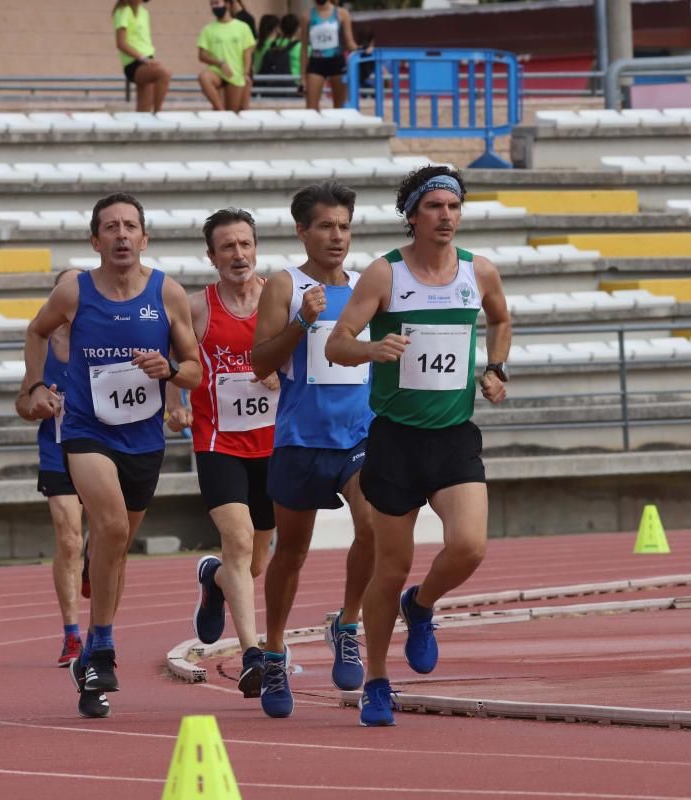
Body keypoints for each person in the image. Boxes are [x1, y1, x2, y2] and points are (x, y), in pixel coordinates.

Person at [326, 165, 512, 727]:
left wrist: (496, 367)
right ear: (412, 215)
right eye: (434, 207)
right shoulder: (385, 275)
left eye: (453, 207)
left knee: (470, 547)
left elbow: (501, 318)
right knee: (390, 567)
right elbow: (337, 344)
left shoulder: (478, 271)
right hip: (396, 441)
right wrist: (371, 350)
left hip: (453, 436)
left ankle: (422, 604)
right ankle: (378, 681)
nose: (446, 217)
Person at [21, 192, 202, 719]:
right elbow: (35, 331)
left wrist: (168, 371)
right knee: (113, 528)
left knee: (115, 551)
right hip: (86, 432)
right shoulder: (74, 291)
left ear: (144, 238)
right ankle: (100, 646)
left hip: (143, 441)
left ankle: (92, 663)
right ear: (94, 240)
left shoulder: (166, 292)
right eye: (110, 227)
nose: (121, 235)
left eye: (130, 226)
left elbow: (193, 368)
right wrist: (34, 384)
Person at [250, 180, 375, 719]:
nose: (337, 236)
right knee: (292, 553)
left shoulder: (370, 285)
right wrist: (302, 320)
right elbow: (259, 364)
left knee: (374, 525)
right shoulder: (284, 285)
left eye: (344, 226)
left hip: (361, 435)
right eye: (325, 226)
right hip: (301, 439)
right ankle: (275, 648)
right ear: (302, 230)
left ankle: (347, 622)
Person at [164, 208, 278, 701]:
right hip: (219, 441)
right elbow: (178, 363)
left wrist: (282, 370)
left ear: (256, 248)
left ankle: (212, 580)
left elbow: (310, 350)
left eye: (245, 244)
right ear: (211, 256)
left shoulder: (281, 297)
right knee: (238, 540)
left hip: (276, 443)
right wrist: (174, 401)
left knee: (255, 561)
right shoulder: (196, 308)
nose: (238, 254)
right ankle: (254, 654)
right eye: (227, 247)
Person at [16, 268, 86, 669]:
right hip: (56, 450)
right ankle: (72, 634)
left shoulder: (100, 338)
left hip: (103, 450)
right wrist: (35, 406)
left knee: (111, 535)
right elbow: (22, 403)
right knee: (69, 538)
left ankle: (96, 561)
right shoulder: (40, 346)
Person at [112, 0, 172, 113]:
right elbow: (121, 43)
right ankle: (158, 113)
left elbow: (144, 41)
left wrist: (150, 59)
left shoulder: (144, 13)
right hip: (133, 63)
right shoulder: (123, 11)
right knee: (164, 73)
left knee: (143, 110)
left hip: (147, 61)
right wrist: (143, 59)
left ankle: (144, 125)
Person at [197, 0, 257, 112]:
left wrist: (245, 73)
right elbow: (202, 55)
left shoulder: (242, 27)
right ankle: (220, 110)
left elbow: (247, 53)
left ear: (228, 4)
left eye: (217, 3)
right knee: (204, 77)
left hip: (235, 74)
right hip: (217, 71)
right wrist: (220, 63)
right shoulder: (208, 29)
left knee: (234, 110)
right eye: (212, 4)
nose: (214, 7)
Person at [301, 0, 358, 110]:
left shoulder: (342, 13)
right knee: (311, 109)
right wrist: (302, 76)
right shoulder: (306, 16)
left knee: (340, 107)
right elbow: (303, 48)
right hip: (316, 62)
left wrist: (362, 49)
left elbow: (349, 42)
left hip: (336, 61)